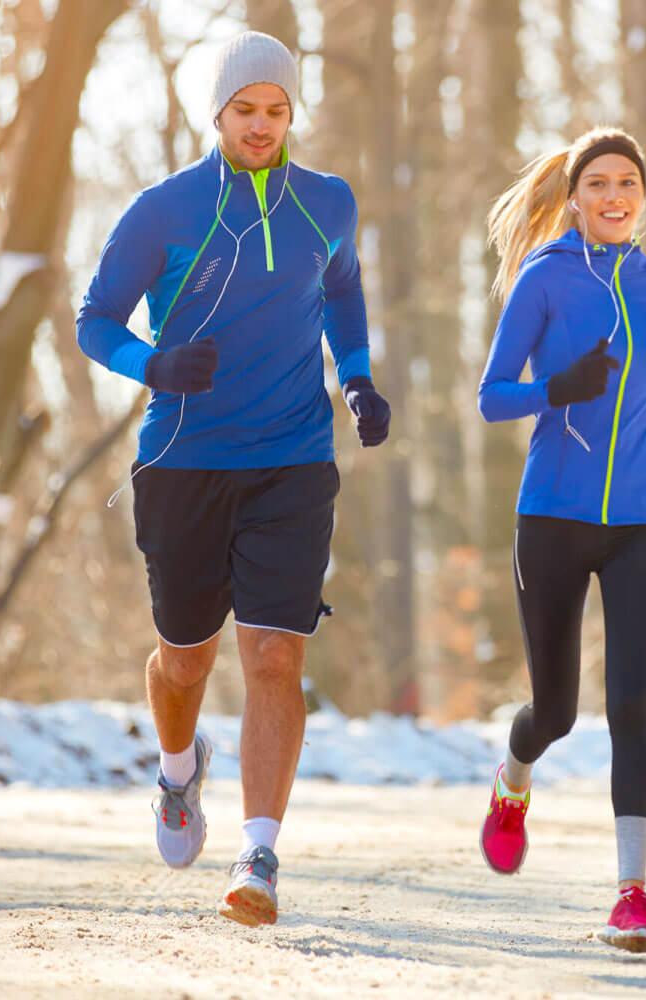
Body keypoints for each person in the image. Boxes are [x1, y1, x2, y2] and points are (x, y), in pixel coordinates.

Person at [76, 31, 389, 926]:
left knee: (276, 654)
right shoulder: (166, 209)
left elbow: (341, 289)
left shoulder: (327, 202)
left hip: (292, 459)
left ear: (295, 115)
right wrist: (153, 365)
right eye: (246, 110)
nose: (262, 126)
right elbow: (95, 318)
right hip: (183, 462)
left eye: (277, 110)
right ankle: (179, 775)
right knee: (185, 660)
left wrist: (358, 376)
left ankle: (259, 856)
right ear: (217, 113)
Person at [476, 126, 646, 956]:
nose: (614, 196)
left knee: (631, 708)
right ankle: (513, 780)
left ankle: (632, 896)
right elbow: (490, 397)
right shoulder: (544, 281)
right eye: (598, 184)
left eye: (628, 183)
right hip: (553, 516)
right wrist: (556, 388)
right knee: (558, 712)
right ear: (574, 197)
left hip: (643, 521)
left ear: (643, 195)